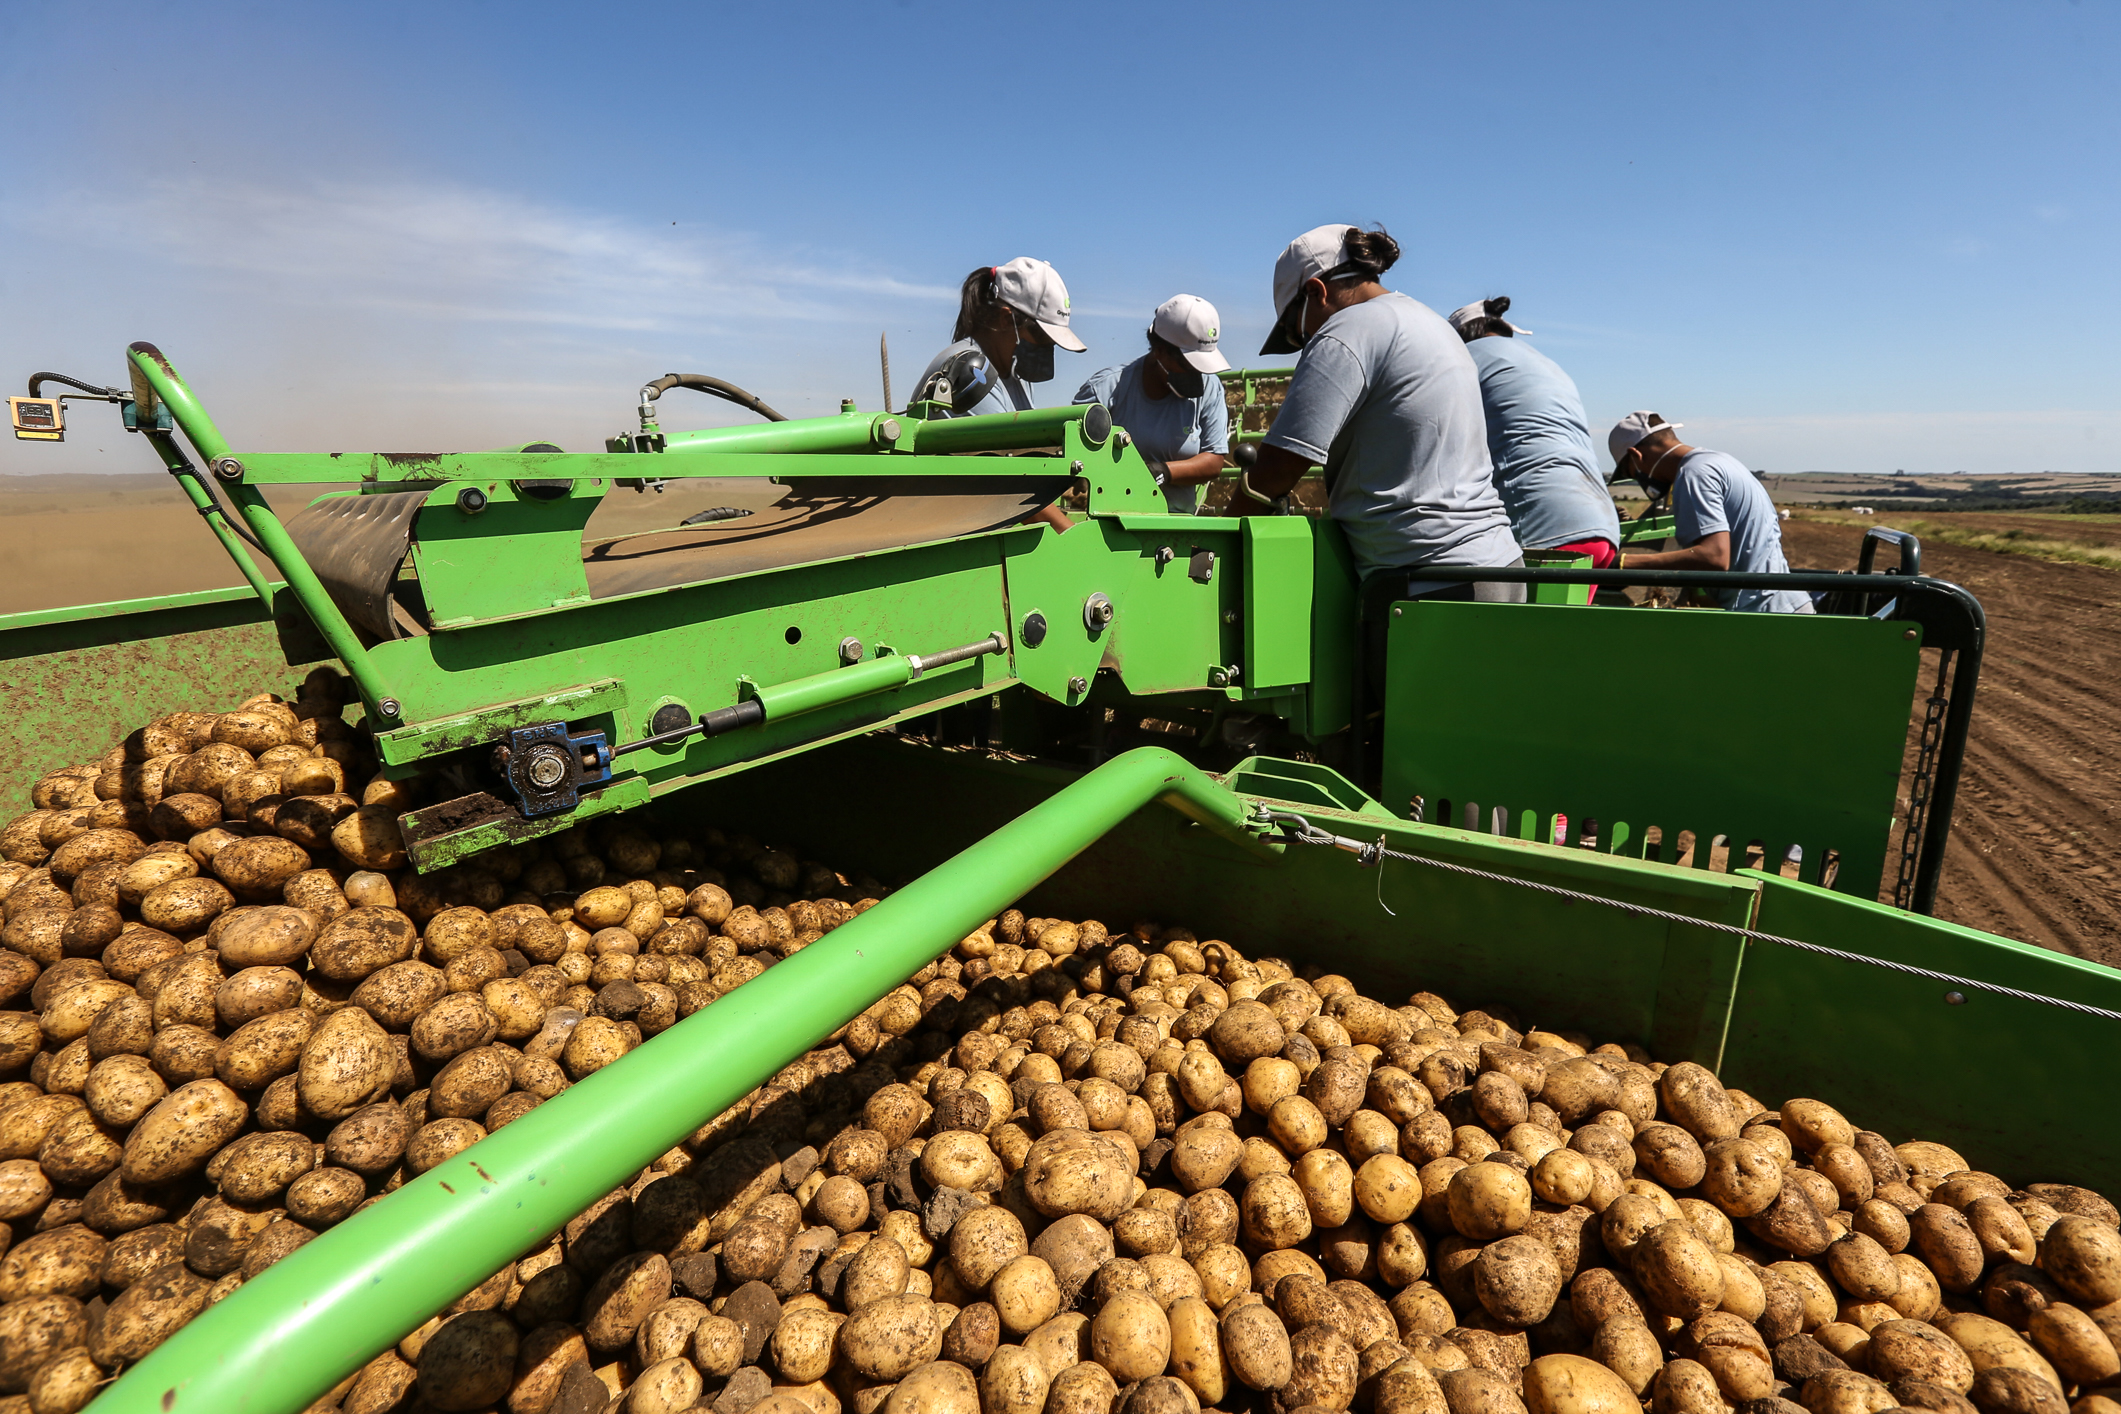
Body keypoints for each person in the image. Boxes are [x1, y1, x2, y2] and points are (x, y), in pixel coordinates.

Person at [1227, 224, 1523, 604]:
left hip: (1429, 581)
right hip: (1499, 564)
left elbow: (1278, 469)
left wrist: (1210, 547)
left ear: (1316, 292)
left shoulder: (1345, 331)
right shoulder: (1430, 322)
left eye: (1295, 333)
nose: (1305, 345)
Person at [910, 258, 1088, 532]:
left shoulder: (1013, 376)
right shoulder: (969, 374)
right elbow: (1010, 484)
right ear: (1007, 319)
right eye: (1043, 337)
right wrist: (1077, 541)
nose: (1049, 347)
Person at [1447, 296, 1622, 570]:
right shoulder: (1543, 362)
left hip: (1544, 529)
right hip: (1600, 527)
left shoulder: (1467, 357)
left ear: (1460, 336)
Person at [1606, 412, 1813, 613]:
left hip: (1763, 614)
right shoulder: (1719, 462)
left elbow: (1714, 557)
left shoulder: (1693, 474)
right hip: (1783, 603)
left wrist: (1622, 563)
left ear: (1636, 456)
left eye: (1629, 472)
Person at [1072, 294, 1232, 514]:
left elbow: (1213, 460)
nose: (1198, 375)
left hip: (1177, 526)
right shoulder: (1106, 390)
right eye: (1190, 364)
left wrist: (1164, 471)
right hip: (1111, 523)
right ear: (1160, 351)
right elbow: (1075, 458)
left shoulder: (1210, 388)